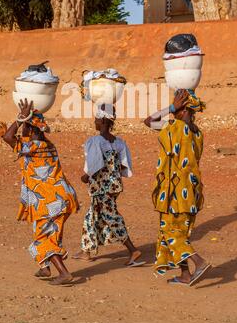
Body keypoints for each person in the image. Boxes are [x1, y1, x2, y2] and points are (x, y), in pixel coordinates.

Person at [0, 99, 79, 286]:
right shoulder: (47, 144)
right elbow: (14, 138)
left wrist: (19, 119)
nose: (22, 131)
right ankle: (45, 267)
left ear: (31, 130)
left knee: (43, 238)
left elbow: (9, 137)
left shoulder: (33, 147)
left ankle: (64, 273)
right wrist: (25, 120)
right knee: (51, 234)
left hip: (48, 200)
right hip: (61, 198)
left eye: (25, 127)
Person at [73, 104, 145, 267]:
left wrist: (85, 177)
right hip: (114, 187)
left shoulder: (95, 141)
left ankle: (133, 250)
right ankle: (86, 250)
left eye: (97, 119)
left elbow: (93, 166)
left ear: (104, 121)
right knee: (91, 216)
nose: (95, 121)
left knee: (111, 217)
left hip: (101, 188)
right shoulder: (119, 143)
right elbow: (125, 167)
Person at [151, 90, 211, 286]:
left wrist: (170, 109)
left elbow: (149, 121)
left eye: (177, 107)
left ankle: (199, 262)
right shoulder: (198, 133)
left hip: (174, 192)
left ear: (183, 109)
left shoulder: (174, 128)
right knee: (180, 234)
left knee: (170, 232)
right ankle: (185, 275)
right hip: (192, 191)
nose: (173, 113)